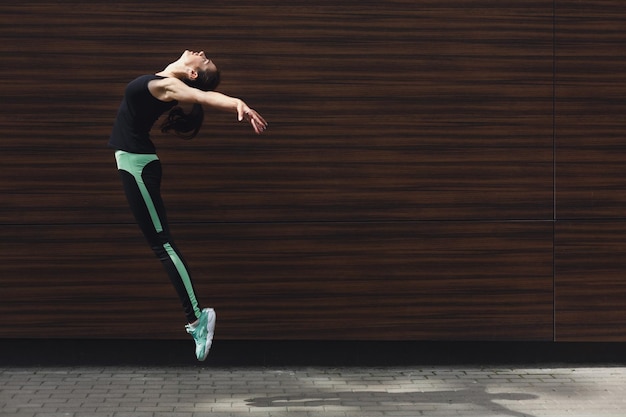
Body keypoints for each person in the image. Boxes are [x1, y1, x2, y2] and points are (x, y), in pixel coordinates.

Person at [108, 50, 267, 361]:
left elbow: (202, 97)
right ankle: (196, 317)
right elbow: (198, 95)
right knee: (161, 243)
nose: (203, 54)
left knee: (162, 245)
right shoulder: (163, 82)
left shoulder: (167, 86)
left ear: (193, 74)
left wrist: (236, 103)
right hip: (134, 164)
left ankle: (197, 319)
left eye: (205, 62)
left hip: (137, 167)